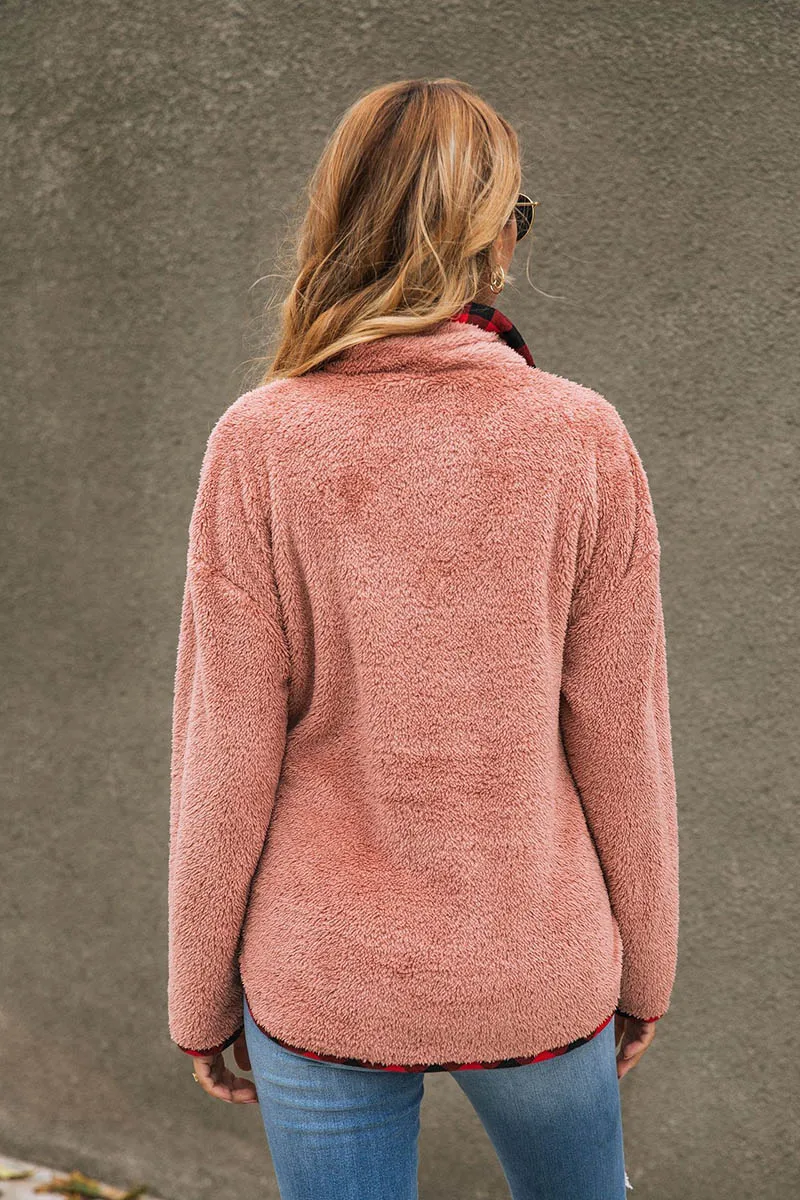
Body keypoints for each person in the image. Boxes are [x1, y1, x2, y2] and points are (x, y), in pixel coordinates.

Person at [167, 77, 679, 1200]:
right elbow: (621, 737)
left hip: (325, 974)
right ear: (491, 236)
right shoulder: (581, 438)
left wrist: (199, 995)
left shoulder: (260, 441)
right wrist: (644, 968)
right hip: (533, 965)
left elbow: (225, 750)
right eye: (516, 214)